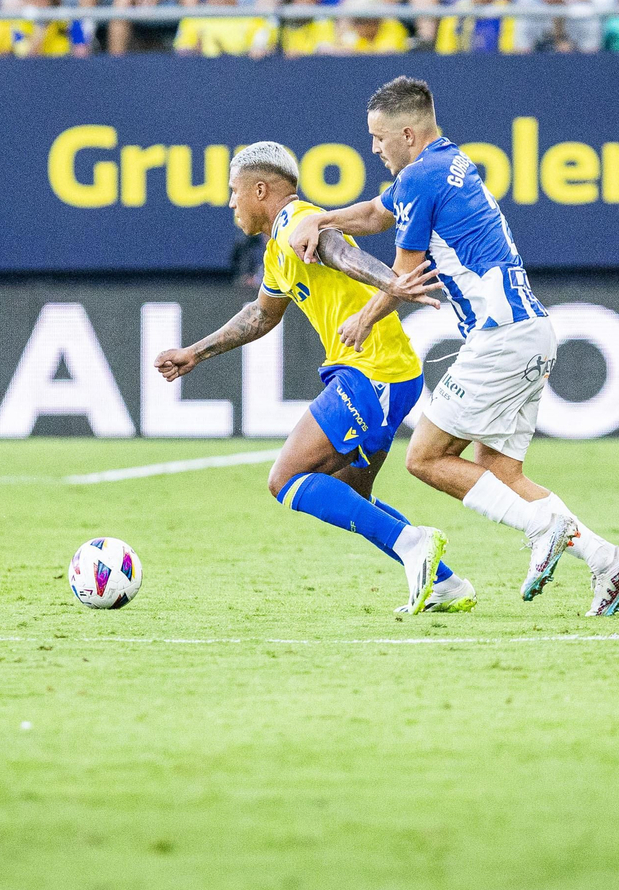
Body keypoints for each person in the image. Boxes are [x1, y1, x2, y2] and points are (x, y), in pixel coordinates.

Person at [289, 78, 619, 615]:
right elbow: (378, 214)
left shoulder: (420, 178)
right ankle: (607, 560)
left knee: (426, 457)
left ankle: (543, 529)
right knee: (502, 475)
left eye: (379, 139)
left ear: (407, 133)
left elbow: (405, 278)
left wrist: (363, 319)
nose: (374, 149)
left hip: (500, 335)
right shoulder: (445, 164)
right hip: (530, 330)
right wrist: (325, 217)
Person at [154, 141, 472, 617]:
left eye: (233, 192)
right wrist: (194, 354)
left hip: (373, 371)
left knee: (284, 479)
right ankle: (447, 584)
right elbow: (262, 316)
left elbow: (338, 250)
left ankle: (414, 543)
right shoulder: (277, 250)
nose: (230, 203)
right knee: (350, 492)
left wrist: (391, 282)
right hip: (383, 373)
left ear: (260, 189)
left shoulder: (297, 222)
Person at [173, 0, 275, 56]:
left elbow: (260, 49)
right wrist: (194, 52)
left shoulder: (251, 17)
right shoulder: (193, 18)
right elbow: (182, 51)